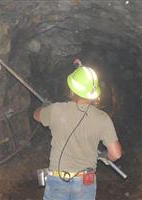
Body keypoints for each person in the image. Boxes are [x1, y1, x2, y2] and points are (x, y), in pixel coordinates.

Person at [33, 60, 122, 200]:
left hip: (58, 180)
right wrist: (105, 156)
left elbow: (36, 115)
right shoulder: (102, 118)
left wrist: (45, 107)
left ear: (72, 89)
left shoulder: (56, 109)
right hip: (85, 182)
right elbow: (116, 154)